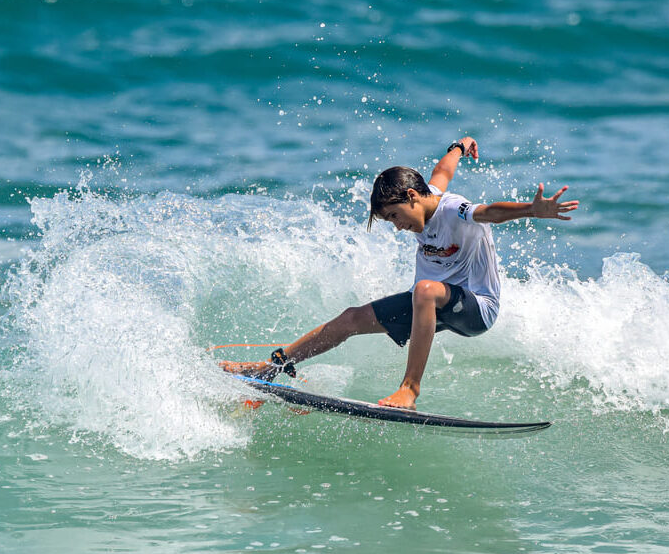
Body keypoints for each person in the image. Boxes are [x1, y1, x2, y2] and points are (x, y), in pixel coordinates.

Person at [221, 137, 579, 409]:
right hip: (433, 303)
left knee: (425, 289)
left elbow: (489, 213)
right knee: (351, 318)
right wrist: (460, 145)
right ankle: (271, 367)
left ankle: (410, 388)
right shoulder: (427, 195)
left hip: (476, 308)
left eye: (394, 216)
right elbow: (442, 171)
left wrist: (531, 210)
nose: (396, 226)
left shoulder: (455, 210)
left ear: (411, 196)